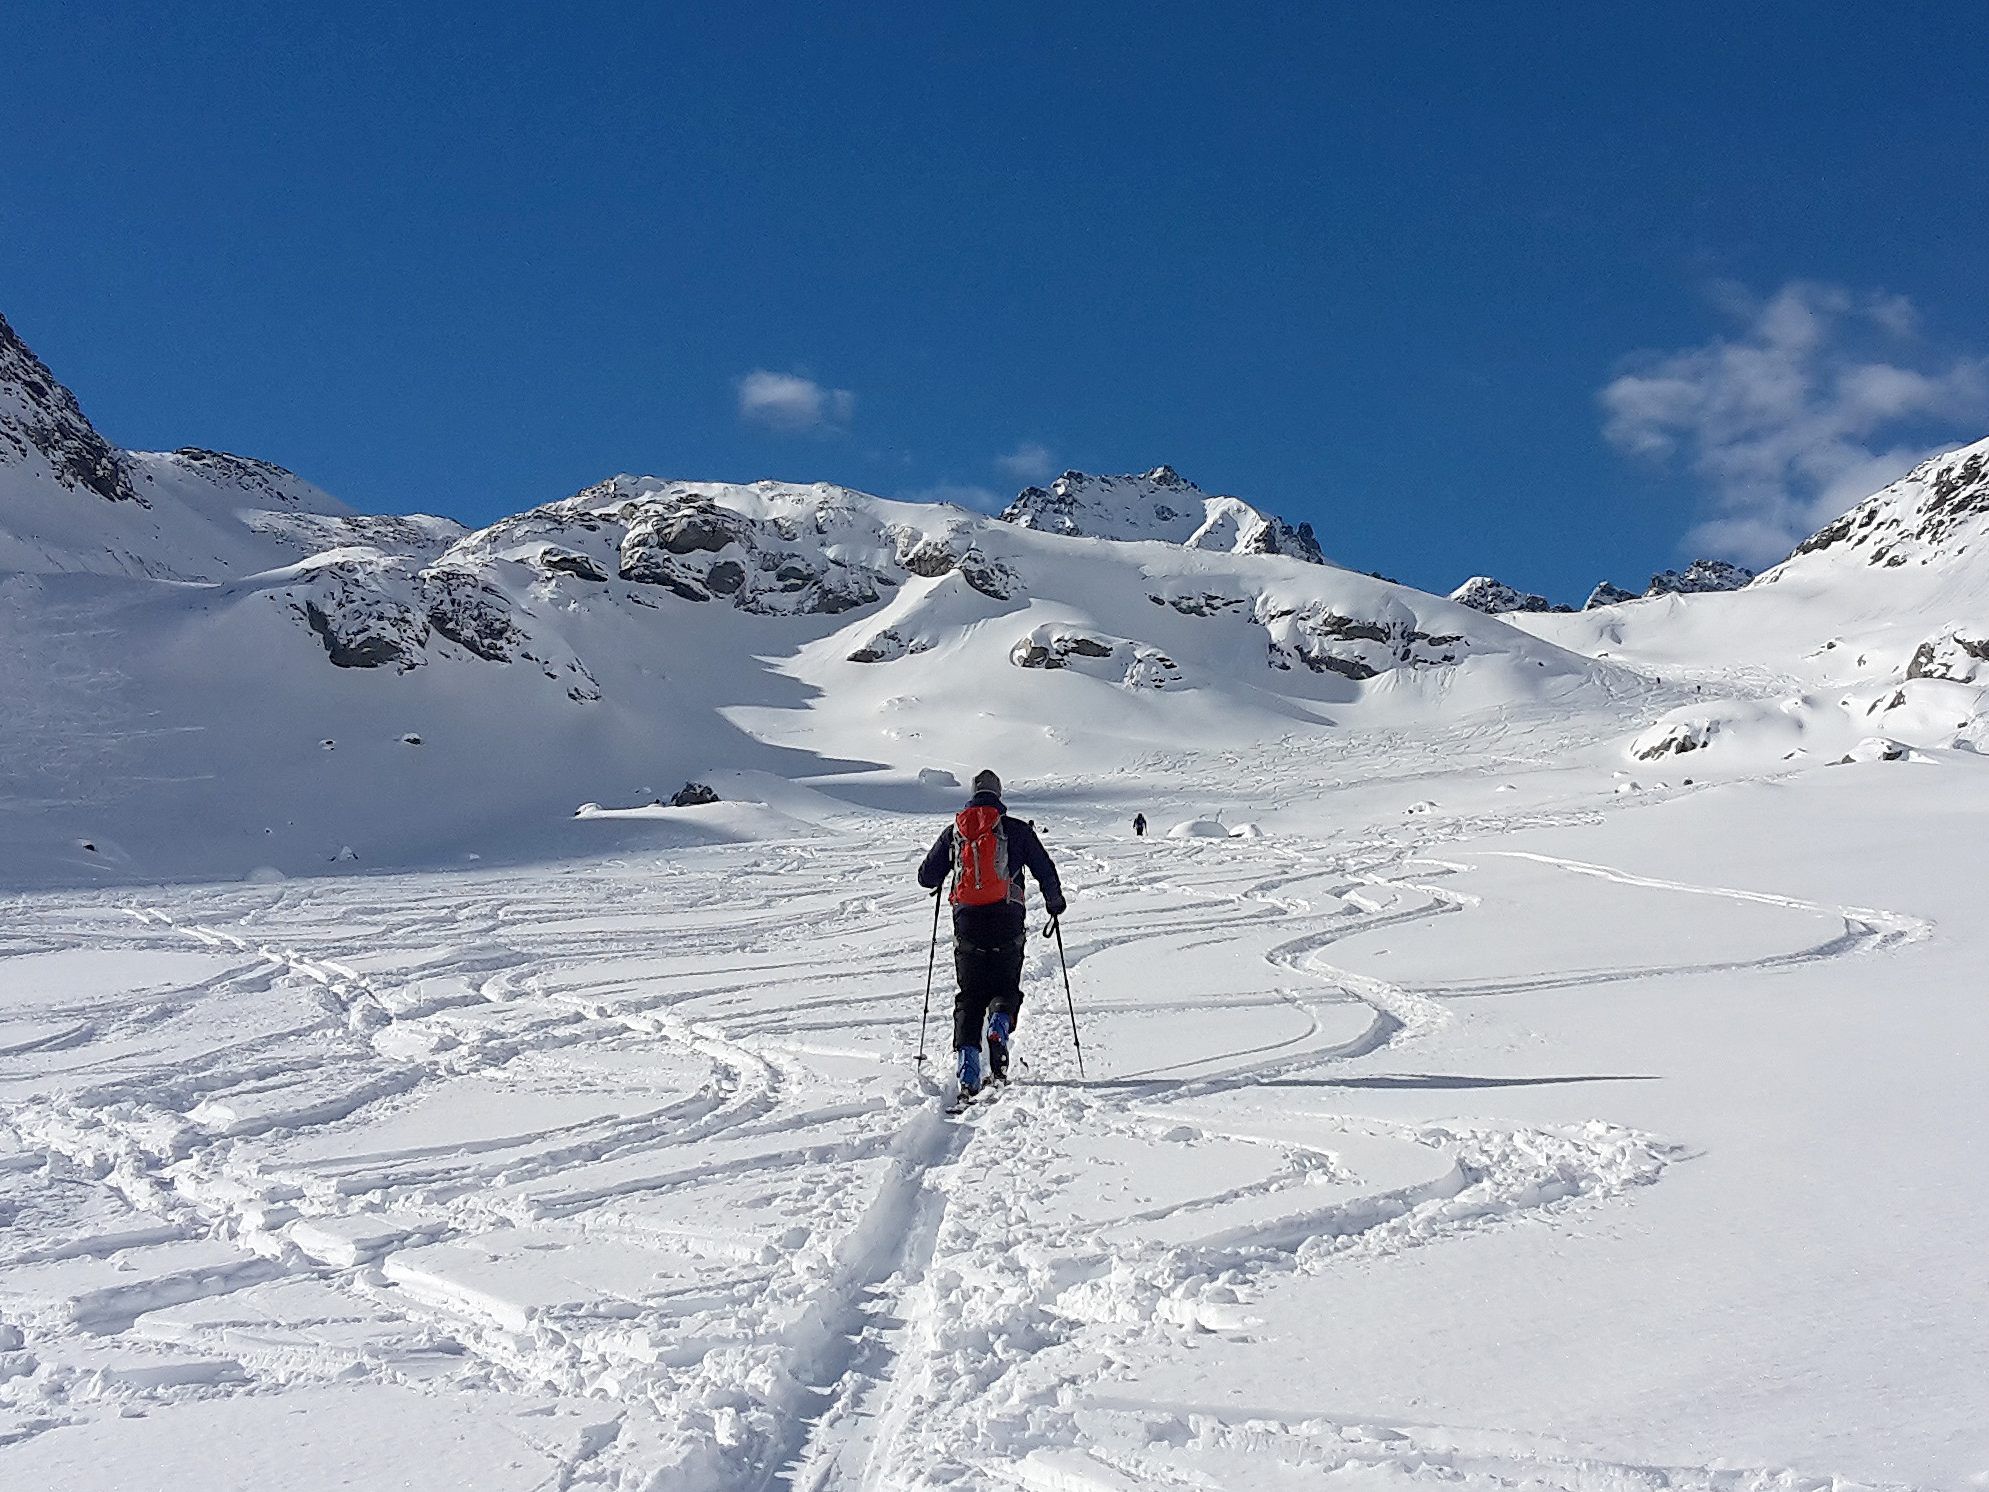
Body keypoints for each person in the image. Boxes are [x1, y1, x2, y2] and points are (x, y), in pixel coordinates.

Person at [916, 769, 1065, 1097]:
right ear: (998, 795)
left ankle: (968, 1068)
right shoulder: (1015, 830)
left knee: (969, 996)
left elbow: (926, 876)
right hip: (1007, 919)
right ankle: (999, 1025)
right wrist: (1055, 902)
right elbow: (1044, 868)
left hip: (967, 922)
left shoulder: (955, 832)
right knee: (1005, 987)